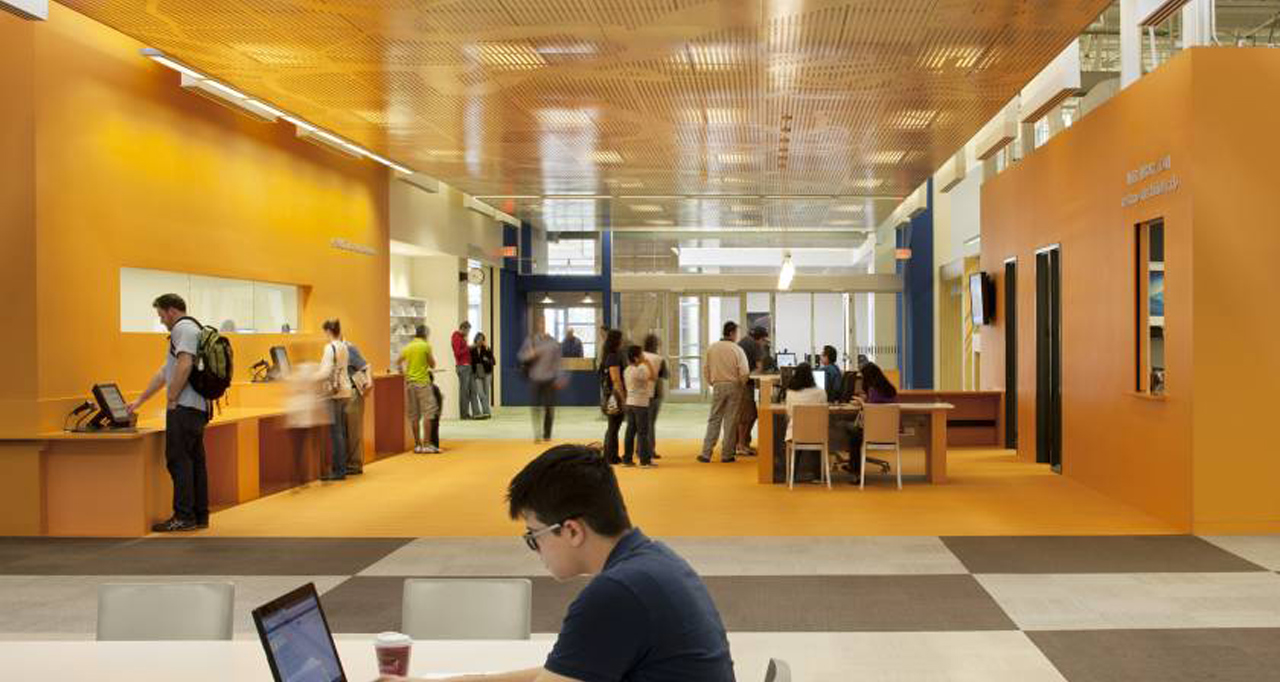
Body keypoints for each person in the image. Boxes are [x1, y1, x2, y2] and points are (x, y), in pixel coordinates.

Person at [381, 444, 735, 682]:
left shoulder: (616, 594)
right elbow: (567, 670)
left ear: (572, 530)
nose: (534, 548)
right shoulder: (654, 562)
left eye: (533, 535)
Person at [128, 293, 211, 532]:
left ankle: (183, 516)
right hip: (198, 408)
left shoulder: (182, 329)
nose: (161, 320)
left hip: (184, 408)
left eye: (161, 315)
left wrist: (172, 397)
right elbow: (166, 371)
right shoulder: (195, 329)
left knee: (179, 462)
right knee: (195, 462)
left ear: (171, 311)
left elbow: (184, 365)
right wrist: (140, 400)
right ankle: (199, 515)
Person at [699, 321, 749, 464]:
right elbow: (744, 371)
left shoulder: (712, 348)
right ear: (732, 333)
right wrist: (741, 384)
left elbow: (705, 368)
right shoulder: (737, 349)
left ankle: (706, 453)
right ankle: (727, 454)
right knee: (731, 421)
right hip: (734, 386)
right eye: (737, 333)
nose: (737, 336)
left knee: (714, 419)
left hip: (718, 385)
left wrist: (711, 382)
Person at [841, 362, 899, 483]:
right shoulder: (890, 389)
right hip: (890, 432)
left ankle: (856, 472)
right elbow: (878, 404)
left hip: (873, 432)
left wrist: (862, 403)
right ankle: (854, 465)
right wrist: (866, 400)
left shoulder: (873, 390)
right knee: (854, 433)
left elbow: (870, 411)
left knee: (850, 431)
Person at [316, 319, 353, 481]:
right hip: (345, 390)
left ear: (328, 331)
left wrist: (310, 377)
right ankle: (341, 468)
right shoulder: (344, 346)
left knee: (336, 432)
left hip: (334, 393)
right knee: (341, 431)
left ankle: (338, 470)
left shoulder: (329, 347)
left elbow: (325, 372)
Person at [519, 320, 563, 443]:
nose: (543, 325)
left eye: (545, 323)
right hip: (535, 379)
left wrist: (559, 377)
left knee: (549, 407)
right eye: (541, 323)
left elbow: (558, 362)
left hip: (549, 379)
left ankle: (547, 434)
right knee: (535, 407)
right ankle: (537, 434)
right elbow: (521, 356)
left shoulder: (553, 343)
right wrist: (531, 354)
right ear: (538, 325)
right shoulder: (530, 340)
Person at [398, 325, 439, 454]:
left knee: (414, 415)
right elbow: (432, 364)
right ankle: (426, 444)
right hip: (423, 383)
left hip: (410, 384)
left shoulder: (408, 347)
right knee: (428, 413)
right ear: (425, 334)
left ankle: (417, 445)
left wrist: (403, 372)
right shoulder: (425, 346)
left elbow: (398, 361)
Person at [784, 363, 829, 482]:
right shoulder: (821, 392)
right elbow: (824, 411)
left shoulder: (790, 392)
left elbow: (789, 413)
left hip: (796, 433)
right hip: (817, 434)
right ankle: (818, 475)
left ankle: (792, 476)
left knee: (798, 433)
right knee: (814, 433)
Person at [621, 345, 659, 467]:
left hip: (630, 403)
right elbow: (654, 377)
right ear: (636, 358)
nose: (644, 356)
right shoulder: (640, 370)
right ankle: (644, 461)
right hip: (640, 404)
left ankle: (627, 459)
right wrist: (647, 363)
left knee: (630, 432)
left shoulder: (627, 370)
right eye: (641, 355)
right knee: (643, 433)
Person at [734, 326, 768, 457]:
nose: (764, 343)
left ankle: (742, 443)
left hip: (739, 383)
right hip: (744, 385)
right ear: (760, 338)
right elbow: (760, 367)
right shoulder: (754, 345)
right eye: (764, 340)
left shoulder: (744, 341)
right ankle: (741, 445)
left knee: (749, 414)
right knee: (746, 416)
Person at [344, 340, 372, 475]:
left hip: (354, 391)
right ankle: (348, 463)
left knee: (354, 430)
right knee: (347, 431)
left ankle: (355, 464)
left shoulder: (349, 348)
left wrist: (369, 382)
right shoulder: (333, 350)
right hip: (344, 393)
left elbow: (366, 366)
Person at [598, 329, 626, 464]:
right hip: (614, 396)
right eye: (621, 338)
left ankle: (609, 454)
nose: (623, 341)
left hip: (610, 395)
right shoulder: (613, 357)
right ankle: (611, 456)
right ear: (617, 341)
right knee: (614, 427)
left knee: (612, 426)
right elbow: (616, 379)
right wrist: (623, 397)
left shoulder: (608, 356)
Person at [642, 334, 667, 460]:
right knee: (650, 423)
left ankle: (639, 449)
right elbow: (665, 375)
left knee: (640, 423)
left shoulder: (639, 356)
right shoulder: (659, 359)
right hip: (654, 393)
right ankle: (650, 450)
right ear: (656, 345)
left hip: (639, 394)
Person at [452, 321, 479, 420]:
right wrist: (469, 348)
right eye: (468, 331)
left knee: (472, 390)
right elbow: (457, 353)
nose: (468, 333)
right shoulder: (456, 337)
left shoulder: (461, 338)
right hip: (462, 367)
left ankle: (474, 413)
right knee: (464, 392)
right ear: (463, 328)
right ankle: (464, 415)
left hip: (468, 367)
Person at [470, 332, 495, 419]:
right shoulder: (472, 349)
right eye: (478, 339)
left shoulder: (487, 349)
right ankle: (487, 411)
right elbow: (471, 362)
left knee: (486, 393)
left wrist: (487, 359)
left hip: (487, 373)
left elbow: (493, 361)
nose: (480, 341)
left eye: (482, 339)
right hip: (477, 374)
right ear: (475, 339)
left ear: (483, 340)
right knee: (480, 393)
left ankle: (486, 412)